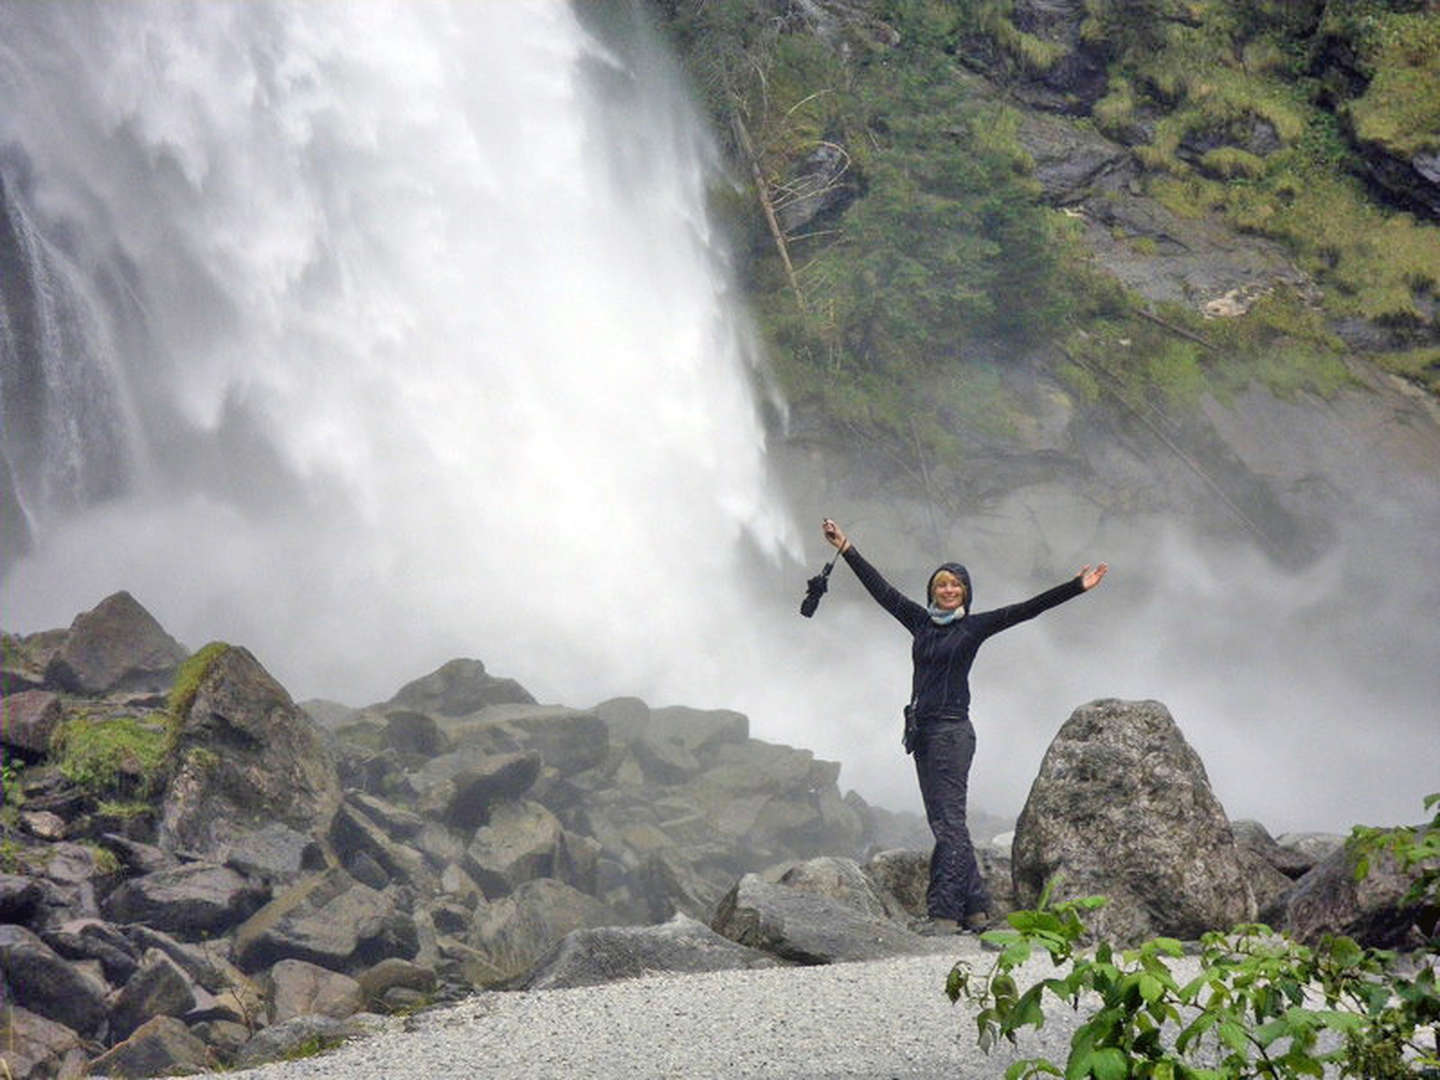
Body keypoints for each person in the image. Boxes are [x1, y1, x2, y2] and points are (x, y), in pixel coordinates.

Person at [820, 517, 1107, 934]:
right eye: (942, 584)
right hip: (923, 733)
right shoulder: (919, 622)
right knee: (950, 821)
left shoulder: (973, 626)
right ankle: (976, 911)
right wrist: (845, 547)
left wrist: (1075, 587)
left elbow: (1027, 609)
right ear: (932, 591)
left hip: (952, 734)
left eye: (956, 585)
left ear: (966, 594)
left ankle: (944, 914)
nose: (948, 589)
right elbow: (880, 590)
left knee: (947, 824)